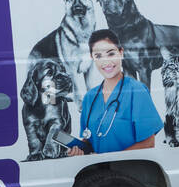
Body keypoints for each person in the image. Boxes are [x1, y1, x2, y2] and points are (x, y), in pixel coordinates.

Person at [68, 28, 162, 156]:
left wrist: (110, 161)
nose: (106, 61)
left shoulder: (136, 91)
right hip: (100, 173)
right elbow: (90, 140)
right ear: (92, 58)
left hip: (131, 172)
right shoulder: (90, 98)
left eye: (111, 53)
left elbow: (148, 143)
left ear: (121, 52)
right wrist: (79, 151)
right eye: (98, 56)